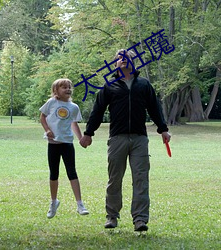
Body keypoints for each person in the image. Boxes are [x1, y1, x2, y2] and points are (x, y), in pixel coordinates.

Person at [80, 49, 171, 232]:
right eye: (119, 59)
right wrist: (88, 133)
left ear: (133, 61)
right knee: (115, 179)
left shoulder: (144, 85)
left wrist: (163, 130)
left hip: (139, 139)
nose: (123, 61)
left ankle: (140, 219)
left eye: (127, 58)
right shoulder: (109, 86)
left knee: (141, 179)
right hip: (117, 138)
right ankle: (112, 216)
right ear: (115, 64)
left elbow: (155, 108)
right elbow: (98, 111)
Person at [39, 78, 89, 219]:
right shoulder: (51, 103)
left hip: (67, 144)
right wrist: (47, 130)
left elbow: (74, 124)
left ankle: (80, 204)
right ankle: (53, 202)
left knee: (72, 172)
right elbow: (42, 116)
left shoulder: (74, 107)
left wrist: (80, 138)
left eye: (69, 87)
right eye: (64, 87)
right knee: (53, 174)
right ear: (56, 91)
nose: (68, 89)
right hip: (53, 144)